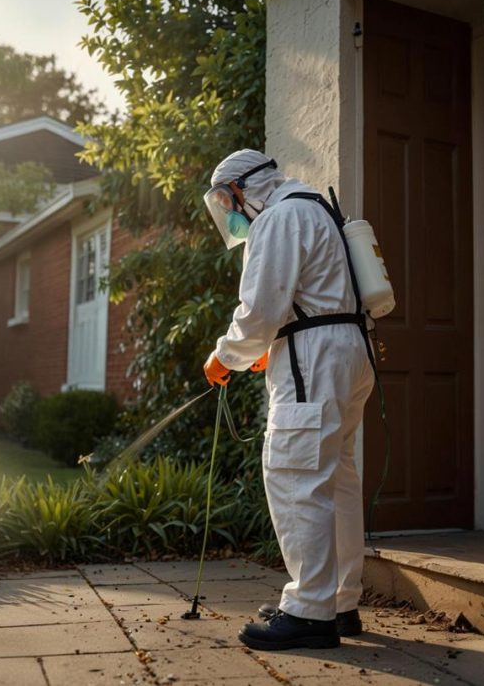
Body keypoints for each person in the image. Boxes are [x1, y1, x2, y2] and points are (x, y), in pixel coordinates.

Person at [201, 149, 375, 651]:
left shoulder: (279, 216)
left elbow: (260, 309)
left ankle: (309, 612)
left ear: (243, 188)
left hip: (314, 359)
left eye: (226, 201)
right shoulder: (315, 207)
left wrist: (225, 356)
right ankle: (339, 603)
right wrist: (267, 347)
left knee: (296, 475)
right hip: (349, 350)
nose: (229, 212)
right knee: (335, 478)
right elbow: (303, 300)